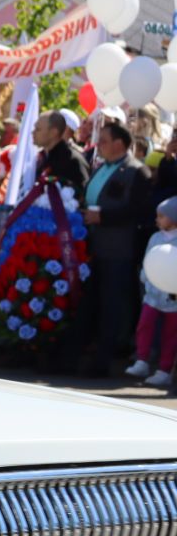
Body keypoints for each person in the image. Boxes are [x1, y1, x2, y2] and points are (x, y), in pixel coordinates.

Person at [80, 118, 157, 376]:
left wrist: (103, 217)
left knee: (113, 305)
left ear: (119, 144)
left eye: (103, 141)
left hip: (118, 249)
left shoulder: (137, 171)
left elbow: (138, 210)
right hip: (94, 246)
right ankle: (86, 353)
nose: (98, 145)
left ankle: (105, 359)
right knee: (93, 302)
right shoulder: (100, 167)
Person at [127, 196, 177, 388]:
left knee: (170, 334)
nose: (157, 220)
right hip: (153, 294)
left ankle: (164, 370)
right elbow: (150, 260)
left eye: (162, 216)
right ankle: (142, 360)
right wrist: (146, 278)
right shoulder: (155, 238)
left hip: (173, 298)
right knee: (145, 324)